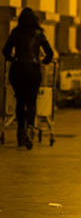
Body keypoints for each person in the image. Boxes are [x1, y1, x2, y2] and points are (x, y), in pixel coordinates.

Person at [2, 8, 54, 149]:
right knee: (31, 101)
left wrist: (13, 58)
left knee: (20, 100)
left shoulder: (15, 32)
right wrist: (43, 61)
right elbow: (49, 53)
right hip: (33, 70)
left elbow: (5, 51)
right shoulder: (39, 34)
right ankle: (31, 127)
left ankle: (20, 133)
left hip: (18, 69)